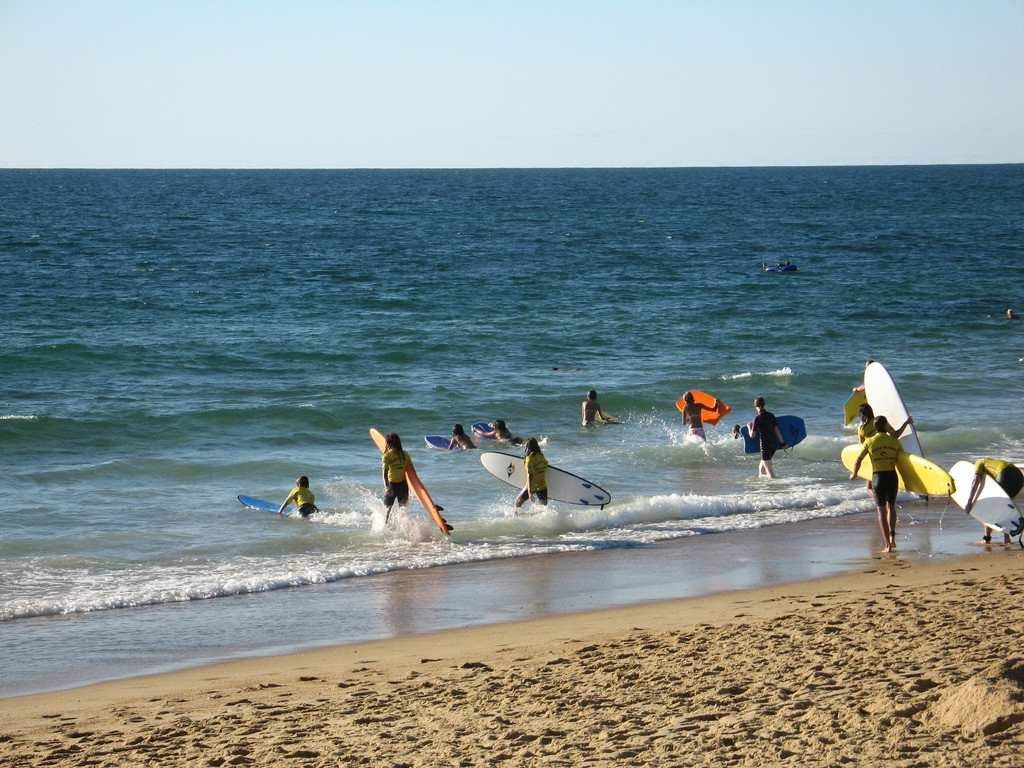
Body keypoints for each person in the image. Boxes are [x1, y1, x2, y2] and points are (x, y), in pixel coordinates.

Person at [850, 416, 904, 553]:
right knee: (891, 507)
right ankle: (892, 538)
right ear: (886, 426)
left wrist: (854, 474)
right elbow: (903, 461)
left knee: (881, 511)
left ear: (875, 428)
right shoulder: (894, 441)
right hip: (892, 477)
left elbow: (858, 460)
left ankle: (887, 545)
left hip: (878, 477)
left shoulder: (869, 441)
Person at [965, 458, 1024, 544]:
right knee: (1004, 507)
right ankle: (1007, 539)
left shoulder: (979, 462)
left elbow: (976, 480)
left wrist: (969, 502)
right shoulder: (992, 462)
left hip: (1005, 474)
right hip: (1019, 478)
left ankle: (986, 539)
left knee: (987, 507)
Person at [856, 403, 912, 493]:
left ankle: (879, 500)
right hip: (888, 454)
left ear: (863, 416)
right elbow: (895, 435)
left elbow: (862, 445)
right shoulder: (880, 421)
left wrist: (861, 426)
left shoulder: (861, 428)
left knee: (869, 487)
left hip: (874, 459)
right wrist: (906, 423)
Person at [748, 397, 788, 478]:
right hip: (773, 445)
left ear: (756, 406)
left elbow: (752, 435)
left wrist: (749, 427)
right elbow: (776, 430)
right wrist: (783, 443)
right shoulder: (771, 416)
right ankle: (764, 485)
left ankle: (774, 484)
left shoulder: (757, 418)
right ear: (764, 405)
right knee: (761, 469)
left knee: (769, 471)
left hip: (765, 447)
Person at [381, 432, 412, 522]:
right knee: (402, 511)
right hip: (403, 485)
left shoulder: (386, 456)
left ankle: (384, 526)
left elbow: (384, 473)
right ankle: (404, 528)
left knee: (386, 511)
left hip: (392, 485)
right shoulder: (405, 454)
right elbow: (412, 471)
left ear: (388, 443)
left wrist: (387, 487)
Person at [515, 437, 549, 510]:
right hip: (542, 486)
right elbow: (546, 464)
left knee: (517, 503)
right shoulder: (541, 455)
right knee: (543, 509)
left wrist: (530, 491)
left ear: (528, 447)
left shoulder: (529, 459)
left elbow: (530, 474)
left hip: (532, 486)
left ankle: (516, 515)